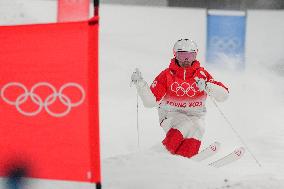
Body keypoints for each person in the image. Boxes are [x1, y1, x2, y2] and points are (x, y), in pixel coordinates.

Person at [131, 38, 229, 158]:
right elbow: (150, 102)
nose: (186, 60)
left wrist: (207, 86)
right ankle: (161, 152)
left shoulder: (202, 75)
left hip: (196, 115)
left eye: (190, 55)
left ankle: (184, 159)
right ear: (175, 55)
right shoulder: (167, 75)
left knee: (198, 127)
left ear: (195, 55)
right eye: (182, 56)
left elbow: (223, 96)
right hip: (170, 115)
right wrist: (141, 85)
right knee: (185, 123)